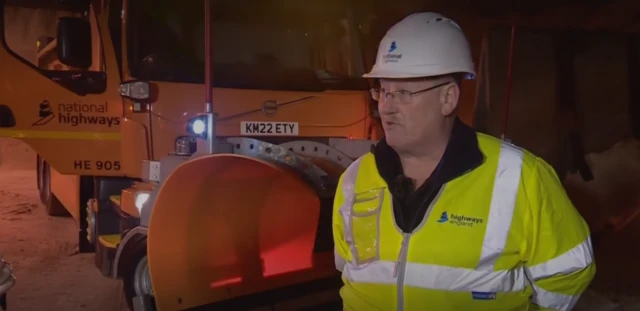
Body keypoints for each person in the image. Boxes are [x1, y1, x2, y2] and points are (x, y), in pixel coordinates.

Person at [332, 12, 595, 311]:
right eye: (383, 90)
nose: (386, 107)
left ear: (448, 98)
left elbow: (569, 271)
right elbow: (347, 268)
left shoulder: (520, 177)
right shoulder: (355, 178)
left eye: (403, 93)